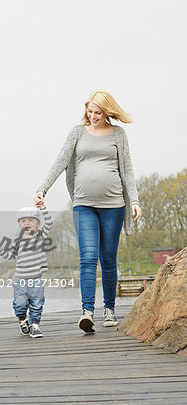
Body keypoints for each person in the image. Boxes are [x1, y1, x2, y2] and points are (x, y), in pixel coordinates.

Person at [33, 90, 141, 333]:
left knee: (108, 259)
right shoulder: (77, 132)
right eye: (90, 111)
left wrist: (134, 200)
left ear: (107, 112)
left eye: (98, 112)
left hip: (114, 205)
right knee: (88, 258)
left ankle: (110, 309)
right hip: (84, 204)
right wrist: (42, 189)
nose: (93, 116)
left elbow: (128, 170)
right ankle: (88, 312)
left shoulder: (118, 134)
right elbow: (61, 161)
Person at [0, 205, 53, 338]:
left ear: (38, 224)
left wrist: (42, 208)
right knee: (20, 304)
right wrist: (0, 250)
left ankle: (35, 325)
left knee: (37, 303)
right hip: (20, 279)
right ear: (19, 225)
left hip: (37, 278)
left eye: (30, 220)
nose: (26, 223)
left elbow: (49, 222)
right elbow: (11, 256)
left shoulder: (41, 235)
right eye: (23, 221)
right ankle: (22, 320)